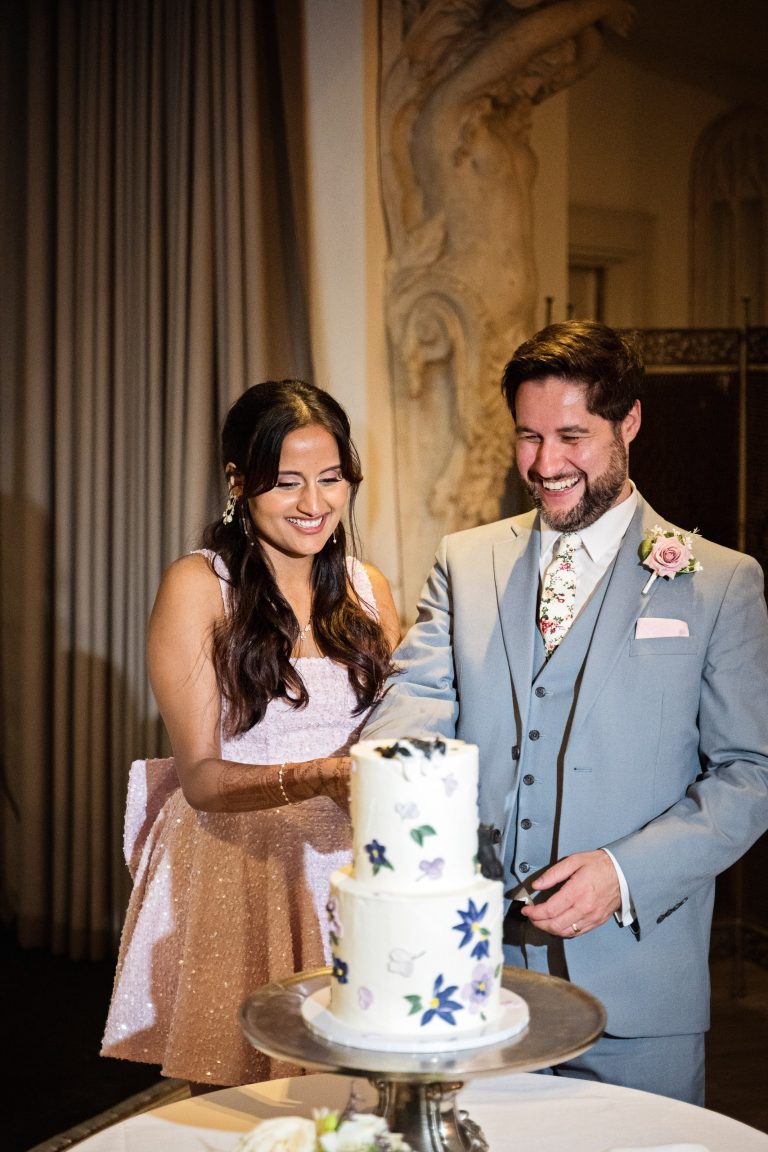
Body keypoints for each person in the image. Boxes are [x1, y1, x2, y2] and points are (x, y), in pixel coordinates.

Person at [363, 320, 768, 1104]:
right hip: (473, 984)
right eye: (528, 436)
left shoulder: (721, 583)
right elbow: (409, 711)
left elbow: (750, 776)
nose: (546, 464)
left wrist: (623, 873)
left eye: (572, 436)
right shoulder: (464, 561)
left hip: (637, 994)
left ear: (631, 423)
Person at [102, 380, 400, 1090]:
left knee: (363, 1087)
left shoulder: (369, 590)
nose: (314, 504)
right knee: (248, 1097)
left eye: (331, 480)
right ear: (239, 482)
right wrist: (318, 776)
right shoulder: (199, 586)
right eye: (287, 483)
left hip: (347, 868)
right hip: (240, 866)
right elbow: (201, 779)